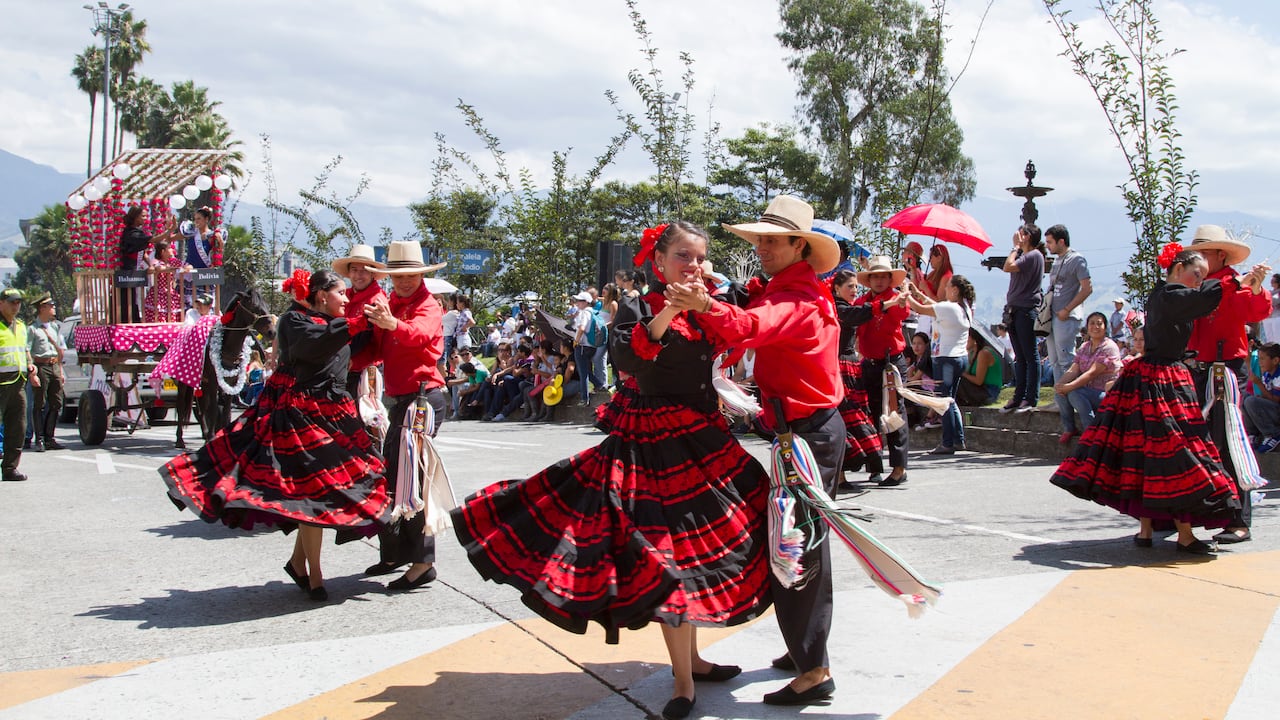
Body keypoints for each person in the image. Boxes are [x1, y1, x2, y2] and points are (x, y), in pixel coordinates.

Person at [453, 221, 771, 720]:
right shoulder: (642, 305)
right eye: (683, 256)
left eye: (699, 258)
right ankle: (684, 681)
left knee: (729, 529)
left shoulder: (710, 303)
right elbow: (629, 357)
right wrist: (670, 308)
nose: (693, 266)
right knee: (667, 553)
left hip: (704, 434)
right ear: (660, 261)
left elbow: (742, 334)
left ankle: (695, 662)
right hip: (653, 441)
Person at [668, 195, 845, 707]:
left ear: (799, 246)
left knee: (797, 546)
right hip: (802, 433)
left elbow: (750, 328)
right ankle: (805, 650)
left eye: (772, 240)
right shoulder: (791, 289)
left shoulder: (799, 297)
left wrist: (702, 305)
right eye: (760, 239)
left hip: (808, 437)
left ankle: (814, 669)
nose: (762, 248)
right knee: (797, 543)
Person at [160, 269, 390, 600]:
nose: (346, 298)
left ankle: (299, 563)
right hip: (301, 418)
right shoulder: (296, 321)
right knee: (313, 494)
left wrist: (384, 319)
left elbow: (363, 342)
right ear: (322, 294)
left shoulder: (335, 324)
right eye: (341, 292)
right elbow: (316, 345)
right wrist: (360, 321)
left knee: (322, 493)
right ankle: (315, 575)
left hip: (335, 416)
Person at [1050, 245, 1240, 555]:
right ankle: (1184, 535)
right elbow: (1202, 299)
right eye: (1196, 275)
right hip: (1162, 380)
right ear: (1179, 269)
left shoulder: (1164, 294)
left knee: (1147, 451)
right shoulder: (1170, 295)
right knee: (1175, 451)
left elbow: (1199, 299)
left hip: (1151, 377)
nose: (1198, 281)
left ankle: (1146, 529)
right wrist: (1236, 282)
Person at [361, 241, 448, 591]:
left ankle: (422, 561)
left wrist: (390, 322)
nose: (404, 282)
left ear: (420, 275)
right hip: (401, 400)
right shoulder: (389, 304)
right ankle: (395, 552)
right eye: (398, 276)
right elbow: (376, 345)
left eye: (410, 275)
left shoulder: (428, 305)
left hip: (422, 399)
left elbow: (419, 335)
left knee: (412, 478)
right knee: (394, 474)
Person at [1185, 225, 1271, 546]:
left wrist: (1255, 286)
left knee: (1229, 441)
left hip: (1224, 370)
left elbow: (1256, 310)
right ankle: (1186, 513)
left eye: (1205, 252)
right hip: (1195, 367)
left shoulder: (1233, 284)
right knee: (1193, 443)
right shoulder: (1195, 283)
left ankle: (1239, 519)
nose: (1200, 259)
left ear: (1220, 255)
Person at [853, 256, 911, 486]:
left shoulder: (896, 299)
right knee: (871, 414)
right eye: (874, 276)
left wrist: (901, 297)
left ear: (889, 279)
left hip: (891, 364)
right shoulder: (862, 302)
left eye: (882, 276)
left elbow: (901, 314)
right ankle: (874, 466)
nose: (878, 280)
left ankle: (899, 467)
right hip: (869, 363)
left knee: (895, 413)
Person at [905, 275, 975, 454]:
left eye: (948, 287)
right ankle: (958, 439)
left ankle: (948, 442)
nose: (944, 290)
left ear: (955, 290)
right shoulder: (963, 308)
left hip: (946, 359)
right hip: (958, 358)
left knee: (943, 401)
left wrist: (906, 294)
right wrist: (917, 292)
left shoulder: (949, 308)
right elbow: (932, 304)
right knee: (950, 400)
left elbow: (920, 308)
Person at [830, 269, 884, 488]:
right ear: (836, 289)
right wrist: (884, 305)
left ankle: (873, 467)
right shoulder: (838, 308)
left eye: (856, 287)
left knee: (860, 415)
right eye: (850, 286)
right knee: (845, 417)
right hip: (839, 368)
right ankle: (841, 474)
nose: (854, 290)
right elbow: (859, 314)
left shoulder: (847, 307)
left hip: (852, 367)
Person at [1052, 311, 1122, 444]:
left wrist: (1070, 387)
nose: (1095, 327)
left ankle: (1091, 431)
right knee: (1059, 395)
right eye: (1092, 323)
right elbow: (1074, 369)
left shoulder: (1109, 347)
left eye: (1099, 324)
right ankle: (1069, 429)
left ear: (1105, 327)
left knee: (1074, 394)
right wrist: (1060, 385)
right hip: (1086, 392)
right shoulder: (1085, 346)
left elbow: (1092, 373)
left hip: (1105, 394)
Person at [331, 243, 391, 397]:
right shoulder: (346, 295)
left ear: (373, 274)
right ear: (349, 273)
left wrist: (354, 362)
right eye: (354, 270)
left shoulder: (377, 301)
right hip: (343, 366)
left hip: (364, 370)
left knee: (364, 416)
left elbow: (378, 343)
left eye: (364, 270)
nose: (359, 275)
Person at [1000, 223, 1045, 413]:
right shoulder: (1024, 256)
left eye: (1021, 233)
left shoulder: (1034, 255)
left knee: (1030, 355)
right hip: (1015, 310)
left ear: (1027, 236)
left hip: (1026, 310)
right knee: (1020, 357)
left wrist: (1015, 247)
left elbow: (1007, 267)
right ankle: (1018, 396)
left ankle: (1031, 397)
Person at [1044, 224, 1093, 392]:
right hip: (1052, 316)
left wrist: (1068, 308)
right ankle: (1060, 399)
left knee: (1066, 360)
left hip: (1066, 317)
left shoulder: (1077, 259)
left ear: (1061, 241)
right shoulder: (1057, 261)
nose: (1047, 246)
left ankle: (1073, 397)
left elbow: (1087, 288)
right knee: (1055, 361)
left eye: (1050, 242)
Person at [0, 289, 38, 481]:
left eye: (18, 302)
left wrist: (30, 366)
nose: (16, 306)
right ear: (1, 303)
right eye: (12, 302)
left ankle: (10, 468)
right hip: (0, 382)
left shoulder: (21, 326)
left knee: (18, 427)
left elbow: (24, 350)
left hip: (18, 383)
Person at [119, 207, 179, 323]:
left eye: (146, 216)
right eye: (143, 216)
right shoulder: (131, 233)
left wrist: (149, 264)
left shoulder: (137, 232)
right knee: (128, 300)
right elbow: (154, 240)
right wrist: (171, 229)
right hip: (128, 273)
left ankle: (136, 320)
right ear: (135, 217)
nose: (146, 218)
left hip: (135, 273)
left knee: (135, 299)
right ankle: (129, 323)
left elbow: (143, 252)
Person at [27, 293, 65, 453]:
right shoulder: (33, 329)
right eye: (51, 306)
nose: (53, 308)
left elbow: (60, 350)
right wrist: (31, 371)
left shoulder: (55, 326)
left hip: (54, 366)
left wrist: (61, 371)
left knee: (56, 403)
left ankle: (50, 438)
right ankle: (40, 439)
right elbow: (27, 350)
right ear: (42, 308)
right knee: (39, 404)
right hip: (41, 366)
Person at [1243, 342, 1280, 451]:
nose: (1260, 363)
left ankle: (1273, 434)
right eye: (1259, 359)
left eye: (1263, 359)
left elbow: (1276, 400)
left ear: (1275, 361)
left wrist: (1259, 384)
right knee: (1245, 397)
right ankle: (1253, 434)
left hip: (1277, 412)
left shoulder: (1278, 376)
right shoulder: (1267, 374)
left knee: (1251, 402)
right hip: (1272, 409)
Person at [571, 291, 607, 404]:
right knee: (585, 369)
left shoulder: (584, 313)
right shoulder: (594, 312)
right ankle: (599, 384)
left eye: (579, 301)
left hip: (582, 346)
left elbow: (581, 328)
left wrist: (576, 341)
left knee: (583, 373)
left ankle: (584, 398)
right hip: (592, 346)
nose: (577, 303)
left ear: (586, 302)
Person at [143, 240, 191, 323]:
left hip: (170, 292)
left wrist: (186, 268)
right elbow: (159, 268)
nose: (172, 250)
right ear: (163, 251)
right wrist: (176, 269)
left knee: (173, 312)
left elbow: (189, 266)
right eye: (169, 248)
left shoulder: (173, 261)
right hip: (158, 293)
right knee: (158, 314)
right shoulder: (156, 261)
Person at [958, 328, 1003, 406]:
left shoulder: (984, 353)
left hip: (989, 392)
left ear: (974, 340)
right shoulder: (972, 353)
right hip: (980, 390)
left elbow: (978, 381)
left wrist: (962, 374)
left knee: (958, 379)